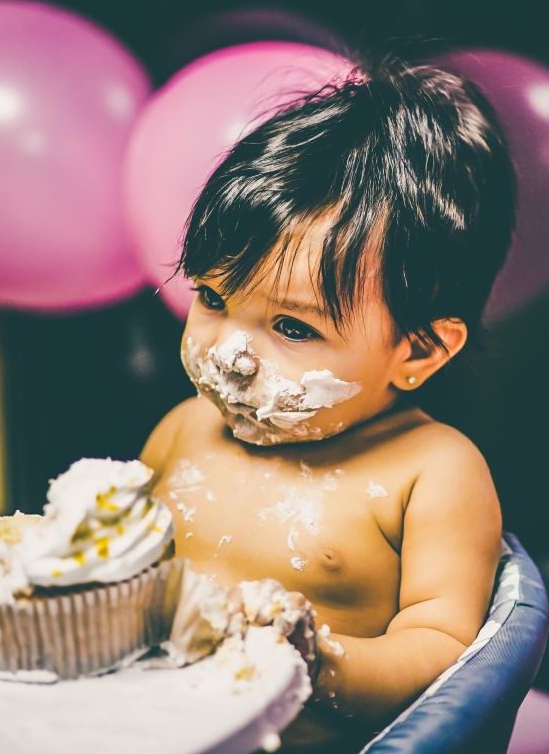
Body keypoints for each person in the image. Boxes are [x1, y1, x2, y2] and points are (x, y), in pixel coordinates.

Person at [139, 43, 517, 752]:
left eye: (291, 326)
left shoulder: (430, 473)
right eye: (214, 296)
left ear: (420, 350)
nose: (231, 354)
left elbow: (445, 656)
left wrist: (313, 653)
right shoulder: (183, 430)